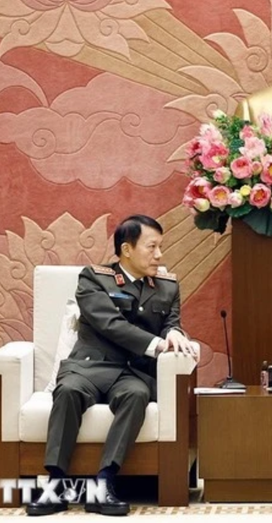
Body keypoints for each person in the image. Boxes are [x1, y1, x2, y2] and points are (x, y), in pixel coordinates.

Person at [27, 215, 197, 516]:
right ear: (127, 249)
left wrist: (173, 332)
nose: (159, 255)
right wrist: (158, 344)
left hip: (131, 372)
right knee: (67, 391)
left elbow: (172, 322)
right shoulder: (94, 278)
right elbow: (110, 324)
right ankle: (55, 484)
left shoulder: (168, 287)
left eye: (161, 246)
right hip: (88, 367)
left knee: (136, 395)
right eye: (152, 246)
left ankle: (104, 483)